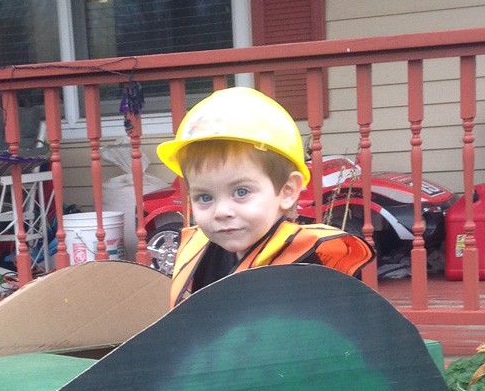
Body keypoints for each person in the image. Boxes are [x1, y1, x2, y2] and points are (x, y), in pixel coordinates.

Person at [156, 87, 373, 306]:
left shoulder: (301, 270)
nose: (221, 212)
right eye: (204, 197)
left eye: (241, 192)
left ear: (287, 191)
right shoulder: (207, 254)